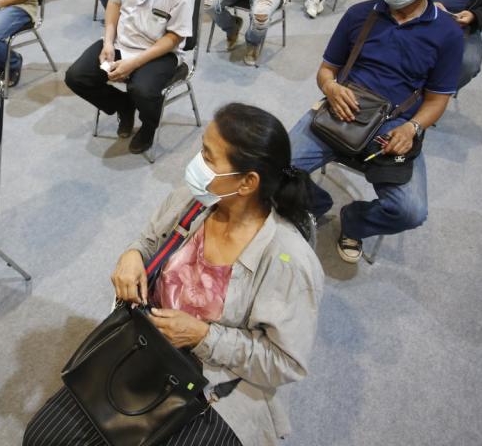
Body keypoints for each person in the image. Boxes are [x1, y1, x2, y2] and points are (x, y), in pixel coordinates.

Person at [25, 103, 324, 446]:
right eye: (202, 150)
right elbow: (149, 241)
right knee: (42, 438)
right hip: (146, 344)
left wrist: (203, 336)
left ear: (247, 183)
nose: (197, 164)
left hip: (215, 387)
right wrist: (132, 255)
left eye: (209, 158)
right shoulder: (196, 199)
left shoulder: (287, 261)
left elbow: (285, 362)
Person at [288, 0, 463, 263]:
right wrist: (331, 89)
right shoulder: (360, 14)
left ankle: (354, 221)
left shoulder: (447, 34)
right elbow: (327, 70)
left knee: (410, 210)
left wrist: (412, 128)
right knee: (273, 165)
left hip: (396, 123)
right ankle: (317, 203)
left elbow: (437, 101)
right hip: (343, 107)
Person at [65, 0, 197, 155]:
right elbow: (114, 2)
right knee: (76, 76)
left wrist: (134, 63)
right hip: (122, 41)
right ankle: (123, 106)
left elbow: (175, 36)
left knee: (143, 90)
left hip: (159, 51)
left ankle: (148, 126)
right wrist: (107, 42)